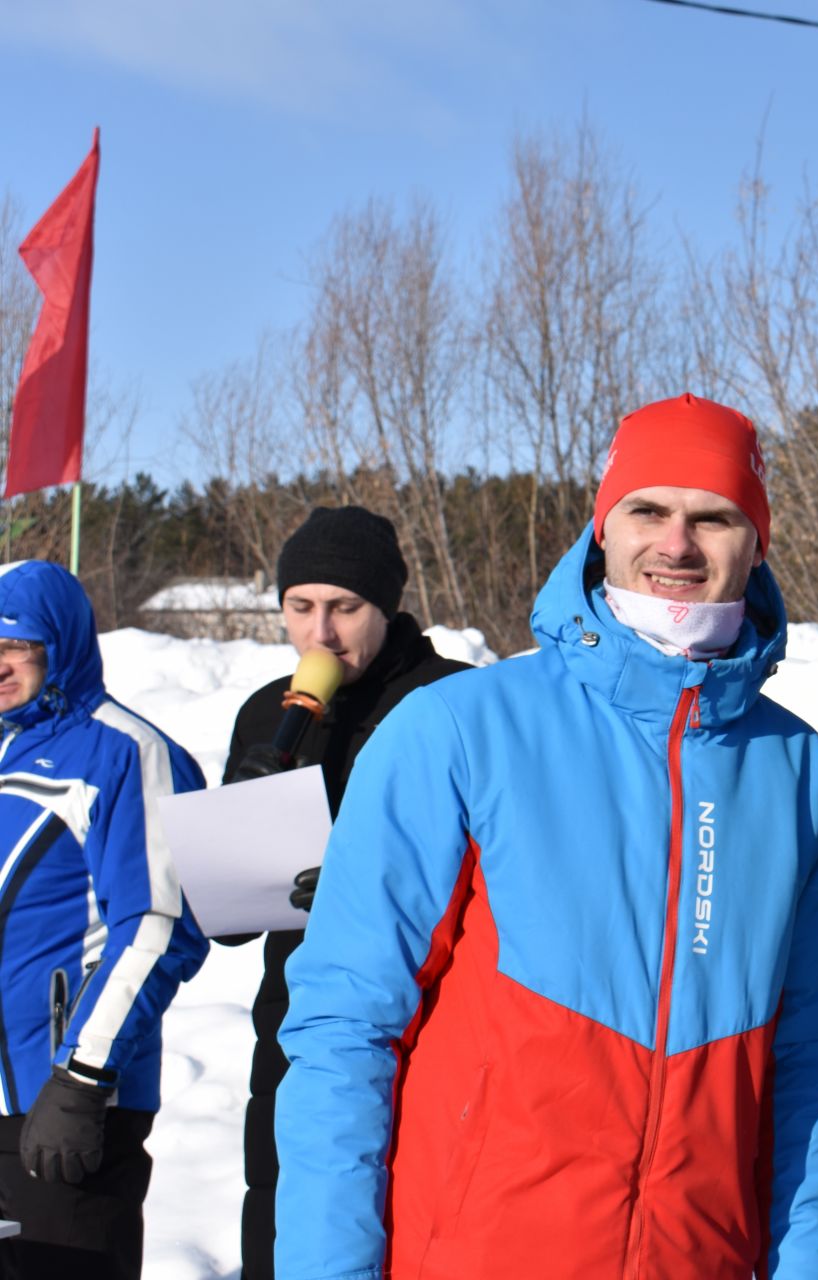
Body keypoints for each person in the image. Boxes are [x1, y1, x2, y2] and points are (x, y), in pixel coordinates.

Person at [274, 394, 818, 1279]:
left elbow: (811, 1063)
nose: (677, 545)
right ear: (603, 526)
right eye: (648, 511)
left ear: (758, 539)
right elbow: (345, 1028)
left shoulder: (804, 776)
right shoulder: (460, 729)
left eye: (713, 517)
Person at [214, 506, 469, 1279]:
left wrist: (368, 886)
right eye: (300, 607)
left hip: (430, 1028)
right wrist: (246, 824)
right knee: (287, 1228)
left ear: (387, 607)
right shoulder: (268, 712)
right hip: (293, 1027)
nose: (319, 634)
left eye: (345, 608)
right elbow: (227, 925)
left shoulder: (454, 703)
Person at [0, 560, 209, 1279]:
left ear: (60, 644)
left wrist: (82, 1078)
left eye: (16, 646)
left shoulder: (127, 751)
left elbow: (158, 927)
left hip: (63, 1103)